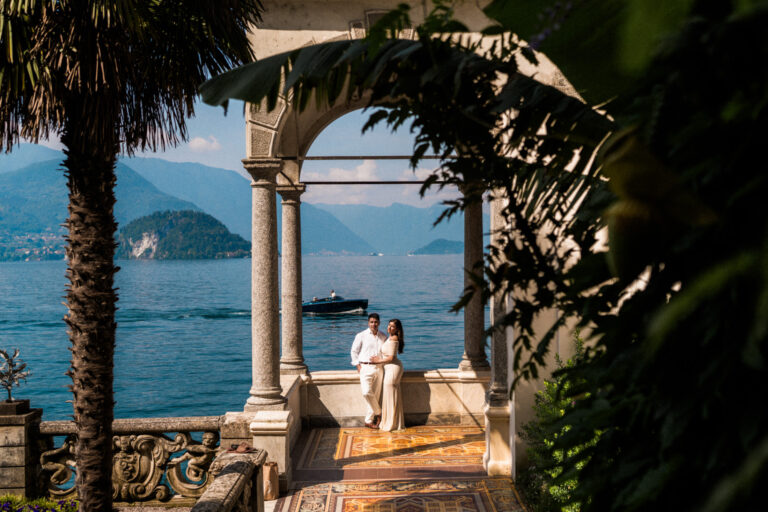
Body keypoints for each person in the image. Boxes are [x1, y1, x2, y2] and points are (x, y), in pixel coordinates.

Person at [350, 312, 387, 428]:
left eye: (376, 322)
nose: (374, 324)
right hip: (365, 368)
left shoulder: (383, 336)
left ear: (379, 323)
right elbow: (354, 351)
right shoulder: (361, 335)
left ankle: (369, 421)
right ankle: (379, 413)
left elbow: (386, 353)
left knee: (375, 396)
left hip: (379, 369)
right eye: (371, 322)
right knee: (366, 392)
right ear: (368, 323)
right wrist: (358, 366)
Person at [371, 319, 405, 431]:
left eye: (392, 326)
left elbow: (391, 358)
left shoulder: (394, 338)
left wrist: (377, 361)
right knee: (389, 395)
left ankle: (392, 423)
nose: (389, 328)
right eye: (389, 325)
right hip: (389, 368)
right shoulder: (389, 338)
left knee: (390, 395)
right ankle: (393, 422)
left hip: (393, 369)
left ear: (397, 329)